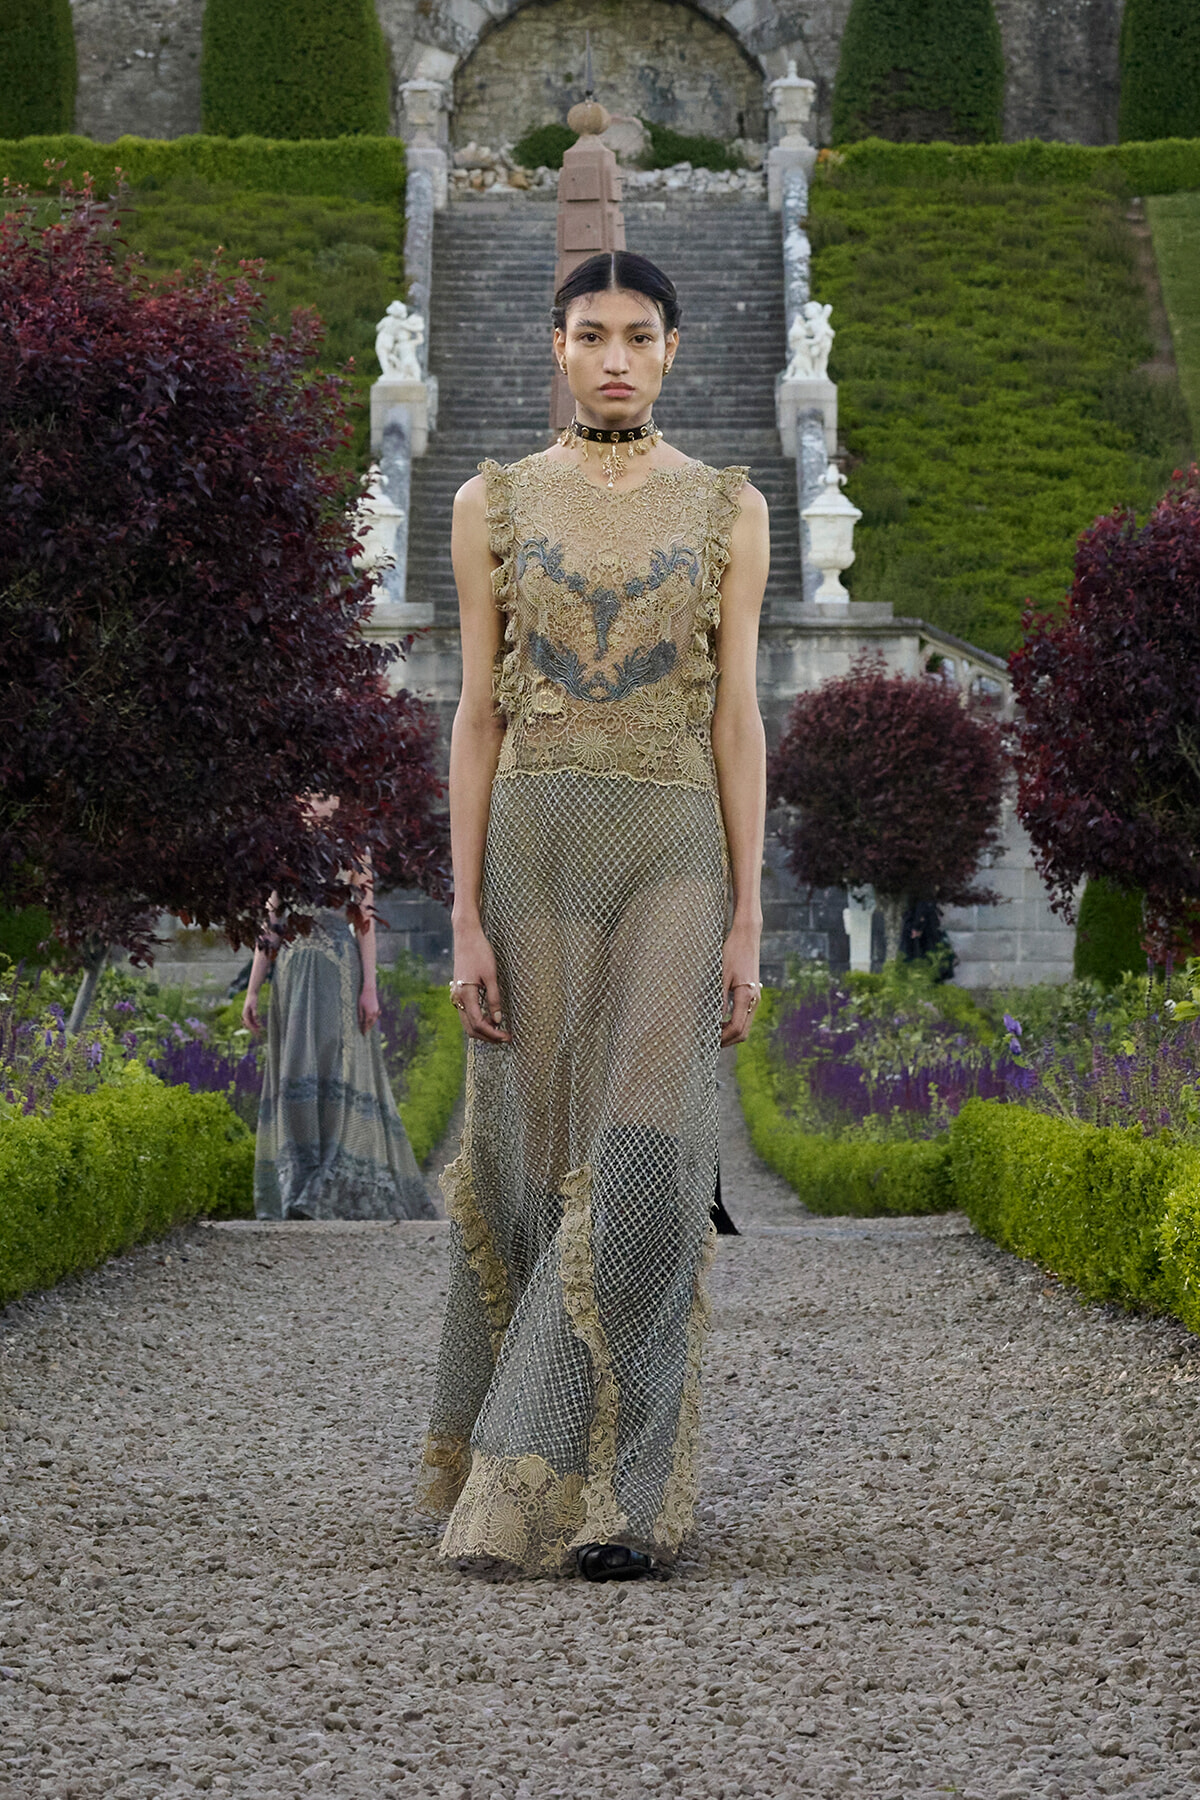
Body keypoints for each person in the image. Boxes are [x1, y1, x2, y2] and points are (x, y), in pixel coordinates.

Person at [420, 249, 769, 1579]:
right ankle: (532, 1467)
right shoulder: (491, 503)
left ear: (674, 349)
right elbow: (475, 714)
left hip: (673, 843)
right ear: (554, 349)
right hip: (531, 850)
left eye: (638, 335)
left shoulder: (728, 507)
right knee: (526, 1162)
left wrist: (746, 919)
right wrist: (458, 913)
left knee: (642, 1158)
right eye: (590, 334)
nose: (615, 356)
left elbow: (738, 720)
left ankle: (612, 1497)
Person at [243, 794, 434, 1222]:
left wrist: (371, 987)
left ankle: (328, 1189)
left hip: (337, 973)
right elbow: (270, 927)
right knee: (294, 1071)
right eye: (303, 795)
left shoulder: (353, 850)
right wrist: (253, 991)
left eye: (319, 795)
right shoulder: (285, 852)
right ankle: (297, 1187)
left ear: (337, 802)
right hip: (291, 974)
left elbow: (364, 923)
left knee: (337, 1065)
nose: (308, 802)